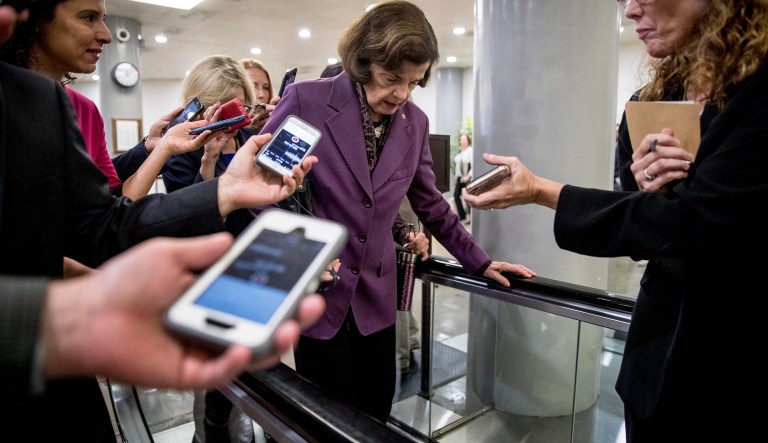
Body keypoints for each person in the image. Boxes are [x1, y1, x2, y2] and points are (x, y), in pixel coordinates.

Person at [0, 4, 317, 442]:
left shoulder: (41, 101)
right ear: (32, 18)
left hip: (56, 370)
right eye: (88, 16)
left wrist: (223, 190)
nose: (107, 35)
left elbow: (99, 225)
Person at [462, 1, 768, 440]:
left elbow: (690, 223)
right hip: (655, 361)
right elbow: (648, 231)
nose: (629, 10)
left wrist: (541, 191)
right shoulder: (653, 99)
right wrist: (650, 193)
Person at [253, 0, 535, 423]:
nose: (401, 94)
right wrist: (298, 251)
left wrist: (479, 260)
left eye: (414, 82)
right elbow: (257, 191)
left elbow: (430, 203)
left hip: (376, 300)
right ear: (364, 62)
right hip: (318, 294)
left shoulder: (415, 124)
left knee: (376, 411)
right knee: (327, 421)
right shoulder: (306, 101)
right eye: (391, 79)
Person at [239, 57, 276, 132]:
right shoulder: (225, 131)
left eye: (266, 88)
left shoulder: (273, 124)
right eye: (253, 86)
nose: (262, 95)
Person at [452, 132, 473, 222]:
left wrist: (469, 175)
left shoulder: (470, 150)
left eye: (464, 139)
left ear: (468, 141)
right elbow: (458, 167)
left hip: (468, 177)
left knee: (468, 197)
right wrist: (456, 178)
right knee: (456, 195)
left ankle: (470, 217)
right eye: (461, 139)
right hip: (460, 177)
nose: (463, 141)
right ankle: (462, 215)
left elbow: (472, 164)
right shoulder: (460, 152)